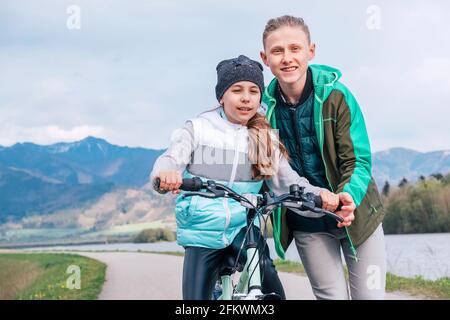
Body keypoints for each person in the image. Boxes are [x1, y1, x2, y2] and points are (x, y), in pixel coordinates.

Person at [150, 54, 355, 300]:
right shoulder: (198, 129)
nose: (246, 98)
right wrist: (166, 174)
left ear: (259, 97)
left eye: (253, 91)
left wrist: (321, 196)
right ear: (221, 96)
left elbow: (287, 183)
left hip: (244, 226)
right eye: (237, 90)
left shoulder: (264, 138)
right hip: (202, 231)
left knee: (270, 285)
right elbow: (170, 158)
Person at [259, 15, 387, 300]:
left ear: (311, 51)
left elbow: (358, 160)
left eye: (295, 48)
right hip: (308, 223)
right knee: (331, 298)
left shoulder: (337, 96)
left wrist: (347, 198)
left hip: (358, 217)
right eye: (277, 51)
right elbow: (269, 172)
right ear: (265, 57)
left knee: (370, 296)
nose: (287, 58)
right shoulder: (261, 113)